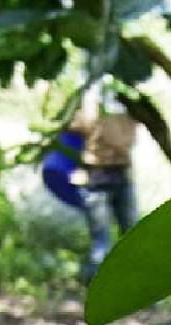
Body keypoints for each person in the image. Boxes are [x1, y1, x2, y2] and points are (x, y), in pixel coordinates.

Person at [69, 92, 140, 282]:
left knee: (112, 237)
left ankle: (105, 283)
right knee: (109, 239)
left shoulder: (93, 109)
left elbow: (73, 126)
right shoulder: (126, 111)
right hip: (104, 177)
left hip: (104, 176)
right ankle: (97, 284)